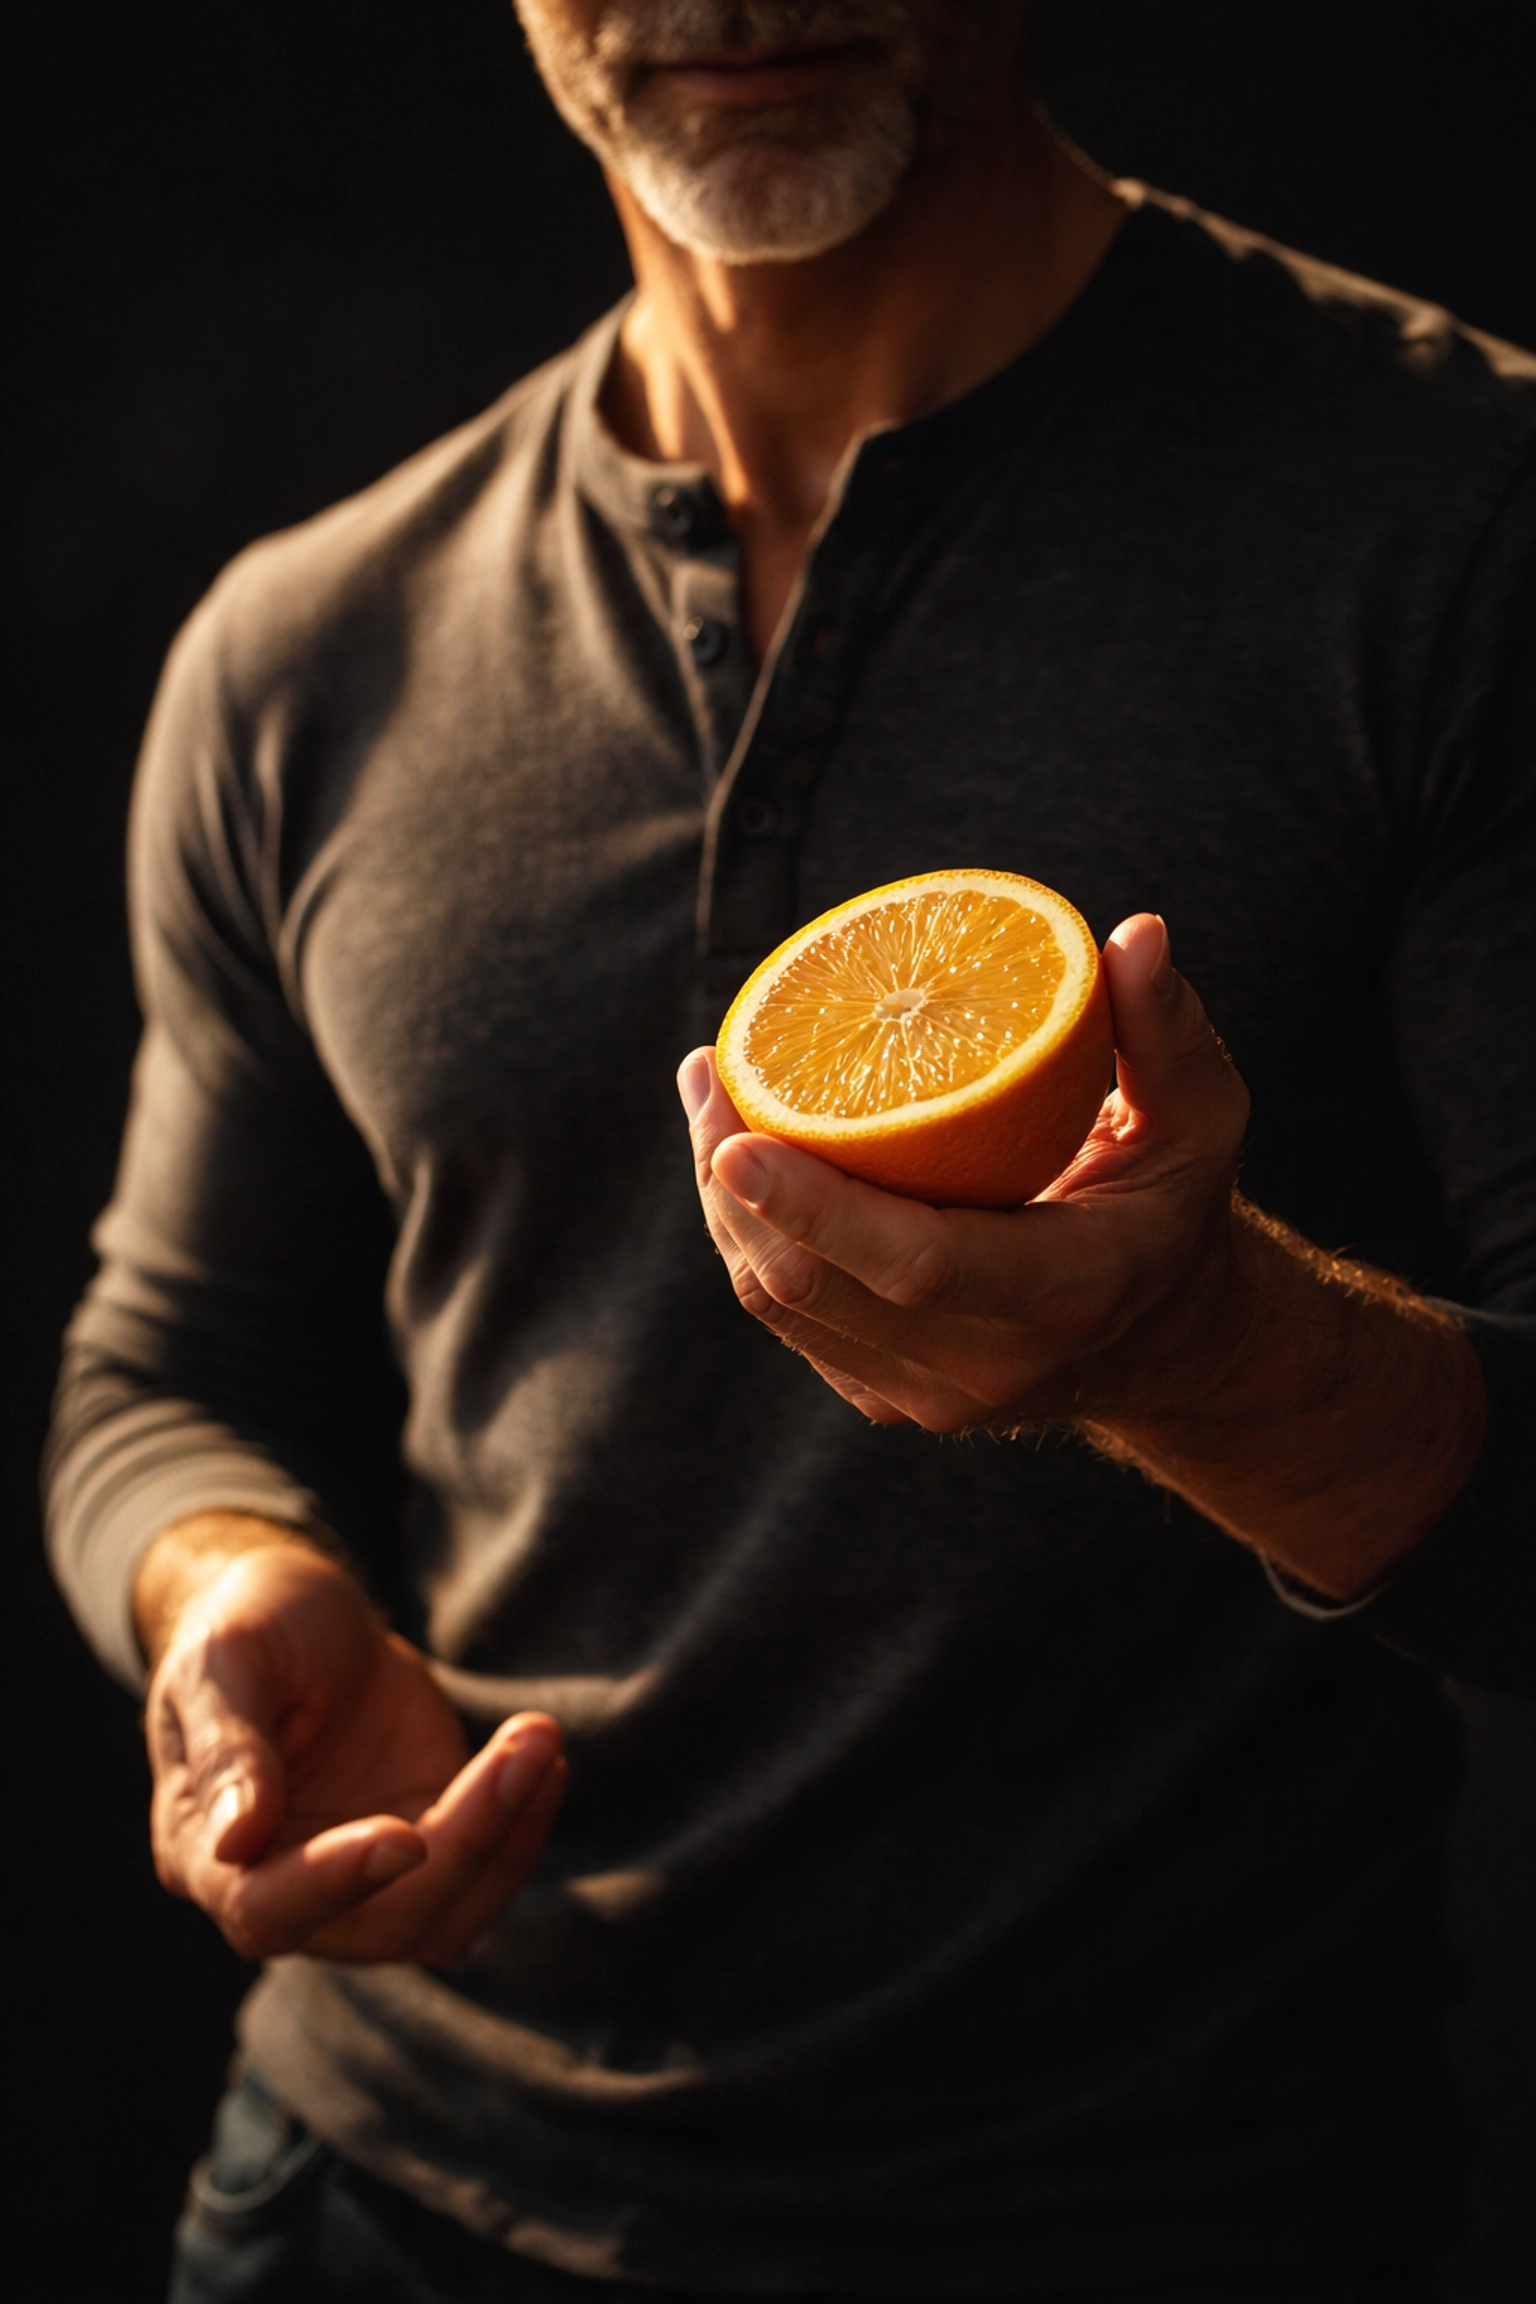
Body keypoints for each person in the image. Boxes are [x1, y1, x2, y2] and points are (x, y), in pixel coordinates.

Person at [44, 4, 1536, 2300]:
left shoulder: (1461, 523)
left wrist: (1209, 1350)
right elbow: (164, 1365)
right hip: (370, 2203)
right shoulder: (295, 654)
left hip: (1165, 2229)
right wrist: (227, 1584)